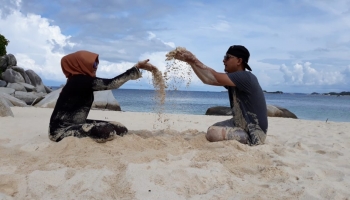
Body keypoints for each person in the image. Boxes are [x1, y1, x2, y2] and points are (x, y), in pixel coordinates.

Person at [168, 45, 267, 145]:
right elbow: (207, 79)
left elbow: (213, 77)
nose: (223, 61)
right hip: (238, 123)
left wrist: (193, 60)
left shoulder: (245, 77)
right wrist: (190, 61)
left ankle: (248, 139)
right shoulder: (234, 80)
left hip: (254, 133)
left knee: (213, 133)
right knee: (213, 128)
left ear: (239, 61)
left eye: (227, 57)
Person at [49, 50, 156, 143]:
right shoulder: (78, 81)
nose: (96, 67)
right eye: (93, 64)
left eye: (96, 64)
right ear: (80, 64)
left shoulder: (80, 81)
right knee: (105, 131)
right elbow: (112, 83)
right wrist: (136, 67)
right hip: (60, 131)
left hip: (78, 123)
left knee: (120, 128)